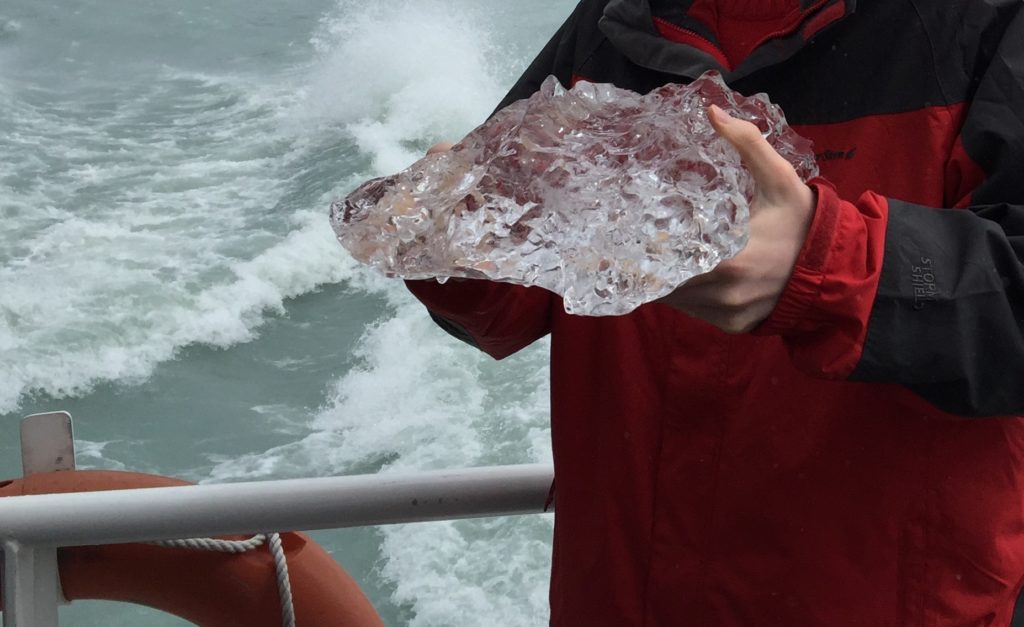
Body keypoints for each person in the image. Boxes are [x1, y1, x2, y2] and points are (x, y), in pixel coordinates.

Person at [405, 0, 1024, 624]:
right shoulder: (611, 23)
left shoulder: (991, 23)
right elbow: (516, 297)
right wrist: (456, 252)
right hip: (615, 598)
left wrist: (834, 265)